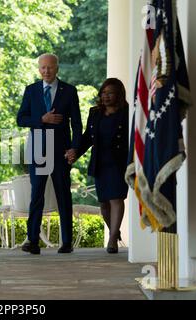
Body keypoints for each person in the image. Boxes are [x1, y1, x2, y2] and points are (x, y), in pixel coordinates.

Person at [17, 53, 82, 255]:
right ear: (39, 69)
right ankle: (33, 241)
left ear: (57, 68)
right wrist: (42, 119)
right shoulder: (31, 90)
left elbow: (77, 124)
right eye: (43, 68)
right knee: (36, 195)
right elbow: (21, 119)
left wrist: (74, 148)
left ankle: (67, 242)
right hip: (38, 152)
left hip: (61, 152)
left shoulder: (69, 91)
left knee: (63, 196)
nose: (46, 71)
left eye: (50, 67)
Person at [69, 78, 129, 254]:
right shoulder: (95, 112)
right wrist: (75, 152)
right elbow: (88, 137)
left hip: (119, 162)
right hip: (100, 161)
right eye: (103, 92)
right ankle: (114, 231)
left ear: (118, 94)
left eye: (110, 93)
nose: (105, 96)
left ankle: (112, 240)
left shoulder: (127, 112)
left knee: (116, 199)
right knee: (103, 204)